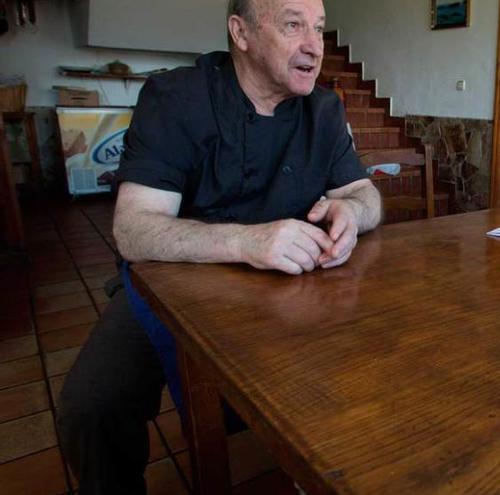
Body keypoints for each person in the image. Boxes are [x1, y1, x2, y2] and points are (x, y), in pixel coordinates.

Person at [56, 0, 381, 493]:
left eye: (318, 28)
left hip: (289, 286)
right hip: (176, 278)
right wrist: (246, 241)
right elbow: (133, 230)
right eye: (293, 25)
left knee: (363, 378)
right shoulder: (176, 98)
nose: (314, 45)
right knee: (91, 406)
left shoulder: (324, 110)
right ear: (241, 32)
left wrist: (351, 214)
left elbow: (366, 195)